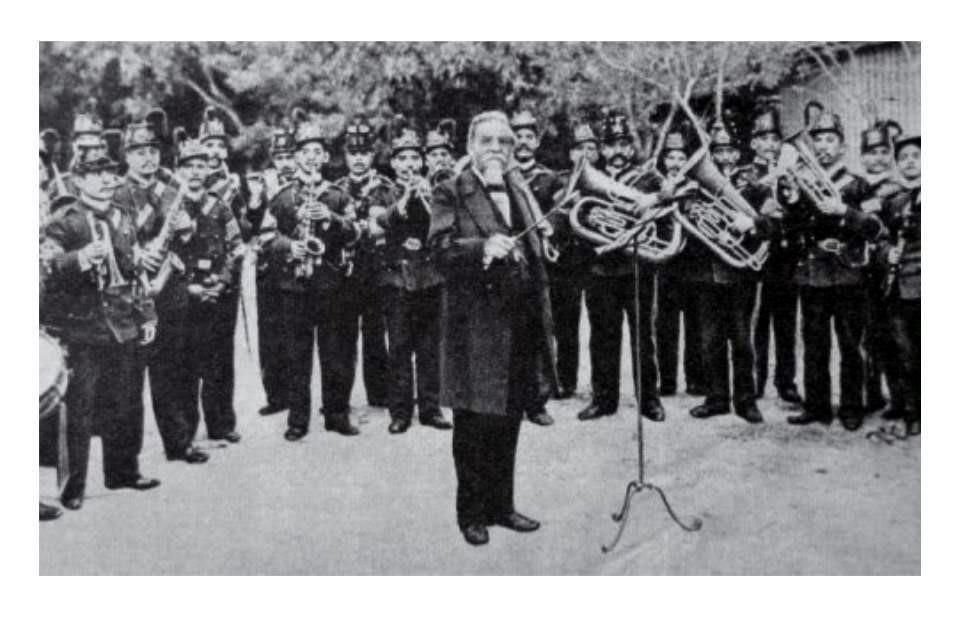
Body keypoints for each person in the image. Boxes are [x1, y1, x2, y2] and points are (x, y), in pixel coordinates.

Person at [428, 110, 555, 546]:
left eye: (504, 141)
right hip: (475, 327)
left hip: (518, 321)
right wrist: (483, 247)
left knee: (510, 418)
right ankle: (471, 514)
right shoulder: (450, 191)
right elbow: (439, 251)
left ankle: (502, 506)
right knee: (473, 424)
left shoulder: (519, 190)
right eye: (487, 141)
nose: (497, 149)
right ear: (470, 147)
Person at [39, 148, 161, 511]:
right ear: (78, 180)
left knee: (124, 402)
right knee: (81, 409)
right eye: (96, 173)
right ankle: (73, 485)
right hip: (84, 328)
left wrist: (148, 313)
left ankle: (123, 470)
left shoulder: (124, 216)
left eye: (110, 172)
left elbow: (136, 270)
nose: (107, 179)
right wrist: (78, 259)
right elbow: (45, 266)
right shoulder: (66, 220)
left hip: (122, 323)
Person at [261, 110, 362, 441]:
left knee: (335, 354)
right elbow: (265, 238)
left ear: (326, 157)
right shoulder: (282, 197)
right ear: (296, 156)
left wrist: (331, 219)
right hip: (294, 286)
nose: (311, 158)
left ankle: (336, 415)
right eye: (305, 152)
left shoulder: (337, 195)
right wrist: (291, 247)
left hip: (331, 285)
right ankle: (297, 420)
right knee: (296, 356)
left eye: (317, 152)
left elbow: (356, 231)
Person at [146, 134, 244, 462]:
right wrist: (189, 287)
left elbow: (236, 248)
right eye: (189, 166)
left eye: (202, 164)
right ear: (179, 169)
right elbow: (165, 253)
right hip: (184, 298)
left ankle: (221, 424)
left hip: (216, 294)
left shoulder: (220, 205)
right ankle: (185, 431)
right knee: (185, 367)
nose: (196, 171)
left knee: (218, 363)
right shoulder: (169, 207)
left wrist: (224, 280)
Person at [783, 111, 883, 431]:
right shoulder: (805, 182)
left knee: (850, 345)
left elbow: (874, 227)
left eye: (830, 140)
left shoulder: (859, 184)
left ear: (841, 147)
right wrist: (793, 198)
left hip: (848, 272)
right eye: (818, 140)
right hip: (813, 273)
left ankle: (852, 407)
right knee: (814, 345)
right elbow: (792, 225)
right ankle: (817, 406)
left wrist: (844, 211)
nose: (823, 146)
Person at [578, 113, 665, 422]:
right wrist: (590, 219)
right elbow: (579, 214)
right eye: (610, 145)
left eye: (623, 144)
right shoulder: (590, 176)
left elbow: (668, 207)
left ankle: (649, 400)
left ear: (631, 148)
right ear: (601, 149)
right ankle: (603, 399)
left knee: (644, 337)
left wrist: (651, 202)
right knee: (602, 337)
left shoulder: (648, 179)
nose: (617, 151)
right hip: (601, 269)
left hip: (637, 268)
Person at [372, 128, 452, 434]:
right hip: (396, 278)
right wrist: (404, 199)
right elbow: (375, 228)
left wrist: (428, 199)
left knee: (430, 347)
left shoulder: (438, 188)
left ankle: (430, 409)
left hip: (430, 277)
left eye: (414, 158)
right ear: (393, 163)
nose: (408, 165)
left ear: (423, 162)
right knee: (400, 347)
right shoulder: (383, 191)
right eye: (402, 158)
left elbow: (446, 227)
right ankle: (400, 411)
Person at [686, 125, 767, 423]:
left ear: (738, 152)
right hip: (707, 274)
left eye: (729, 150)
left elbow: (774, 223)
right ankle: (716, 398)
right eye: (718, 151)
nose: (724, 157)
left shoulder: (756, 186)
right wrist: (693, 209)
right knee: (710, 340)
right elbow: (684, 209)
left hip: (741, 274)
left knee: (743, 341)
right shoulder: (698, 186)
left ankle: (746, 400)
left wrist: (751, 224)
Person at [509, 110, 562, 426]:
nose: (523, 142)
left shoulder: (549, 178)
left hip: (537, 262)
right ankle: (510, 398)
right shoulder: (500, 176)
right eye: (517, 136)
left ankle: (537, 402)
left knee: (539, 332)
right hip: (509, 264)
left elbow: (559, 211)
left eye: (529, 136)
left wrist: (550, 230)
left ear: (538, 141)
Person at [335, 116, 391, 409]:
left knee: (374, 334)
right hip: (345, 273)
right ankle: (339, 397)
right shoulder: (336, 190)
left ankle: (379, 394)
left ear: (372, 155)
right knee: (342, 337)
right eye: (353, 153)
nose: (358, 159)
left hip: (376, 272)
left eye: (364, 153)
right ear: (345, 156)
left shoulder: (386, 188)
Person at [749, 109, 804, 405]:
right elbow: (746, 200)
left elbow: (802, 215)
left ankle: (786, 382)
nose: (769, 144)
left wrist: (793, 196)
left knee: (786, 324)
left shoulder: (792, 173)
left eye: (774, 139)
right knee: (757, 323)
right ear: (753, 143)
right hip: (758, 258)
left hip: (785, 257)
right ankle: (755, 381)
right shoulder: (747, 173)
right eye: (763, 138)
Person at [654, 130, 706, 399]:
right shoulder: (656, 185)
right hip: (665, 263)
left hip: (693, 261)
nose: (675, 162)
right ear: (663, 161)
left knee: (695, 325)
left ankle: (696, 379)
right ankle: (668, 380)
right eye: (670, 157)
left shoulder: (697, 186)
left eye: (680, 157)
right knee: (665, 325)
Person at [549, 122, 599, 399]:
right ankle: (566, 382)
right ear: (570, 154)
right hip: (567, 260)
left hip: (596, 260)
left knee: (601, 326)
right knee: (565, 323)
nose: (585, 153)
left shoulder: (607, 181)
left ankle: (601, 385)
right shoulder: (560, 180)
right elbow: (553, 217)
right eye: (579, 148)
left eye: (591, 148)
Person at [859, 122, 906, 416]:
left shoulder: (898, 189)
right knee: (866, 335)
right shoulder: (858, 186)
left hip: (888, 271)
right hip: (860, 271)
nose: (877, 158)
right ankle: (871, 394)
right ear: (862, 157)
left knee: (893, 336)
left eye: (882, 151)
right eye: (871, 152)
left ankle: (900, 398)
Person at [877, 134, 920, 436]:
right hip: (900, 287)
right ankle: (912, 411)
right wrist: (885, 252)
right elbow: (879, 236)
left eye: (916, 156)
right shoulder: (894, 200)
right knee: (905, 353)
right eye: (903, 157)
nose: (909, 161)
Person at [254, 128, 298, 416]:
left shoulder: (303, 184)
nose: (285, 162)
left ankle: (297, 395)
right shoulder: (261, 182)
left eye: (289, 155)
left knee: (294, 331)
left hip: (293, 263)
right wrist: (257, 200)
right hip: (268, 264)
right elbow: (249, 223)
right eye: (280, 156)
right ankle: (275, 395)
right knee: (269, 334)